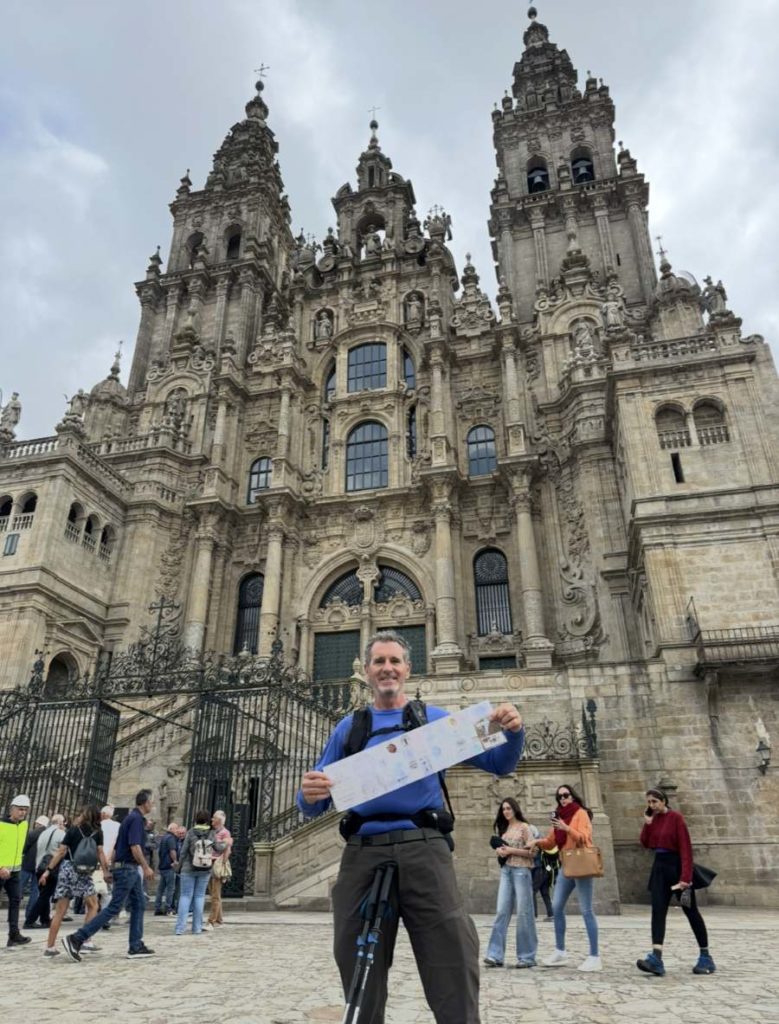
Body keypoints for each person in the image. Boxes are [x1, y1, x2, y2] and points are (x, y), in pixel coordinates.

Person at [298, 629, 525, 1024]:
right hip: (363, 853)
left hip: (424, 848)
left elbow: (500, 764)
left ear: (407, 669)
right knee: (355, 959)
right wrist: (308, 793)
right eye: (379, 661)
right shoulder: (349, 728)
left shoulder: (432, 719)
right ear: (367, 670)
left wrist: (514, 731)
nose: (387, 668)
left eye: (394, 661)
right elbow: (312, 803)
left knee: (452, 954)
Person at [60, 788, 156, 962]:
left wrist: (111, 867)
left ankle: (136, 945)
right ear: (146, 802)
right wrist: (146, 866)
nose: (153, 805)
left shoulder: (130, 818)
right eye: (152, 801)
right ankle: (77, 938)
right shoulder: (136, 819)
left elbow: (118, 846)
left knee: (139, 904)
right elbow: (135, 847)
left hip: (127, 868)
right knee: (114, 907)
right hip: (128, 868)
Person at [636, 788, 715, 977]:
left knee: (691, 911)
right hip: (659, 869)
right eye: (649, 802)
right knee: (658, 911)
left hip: (677, 868)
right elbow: (645, 843)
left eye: (654, 801)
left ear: (663, 801)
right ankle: (656, 958)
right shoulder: (653, 820)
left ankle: (705, 956)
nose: (651, 805)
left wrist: (685, 878)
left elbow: (685, 849)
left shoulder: (676, 818)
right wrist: (647, 824)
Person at [533, 783, 601, 972]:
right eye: (559, 796)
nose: (562, 799)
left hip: (581, 862)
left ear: (573, 796)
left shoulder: (581, 813)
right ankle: (560, 951)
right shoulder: (559, 817)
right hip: (566, 865)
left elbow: (584, 838)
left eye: (566, 795)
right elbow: (551, 842)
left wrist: (566, 828)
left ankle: (595, 956)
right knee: (556, 906)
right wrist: (535, 841)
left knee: (586, 909)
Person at [39, 804, 111, 958]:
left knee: (60, 910)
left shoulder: (72, 830)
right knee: (93, 905)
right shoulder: (98, 832)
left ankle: (50, 947)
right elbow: (100, 853)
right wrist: (105, 871)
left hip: (68, 869)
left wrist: (48, 870)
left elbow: (61, 851)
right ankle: (85, 940)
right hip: (84, 872)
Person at [483, 797, 537, 968]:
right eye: (503, 809)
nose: (506, 811)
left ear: (515, 809)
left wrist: (511, 850)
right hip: (506, 871)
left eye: (508, 808)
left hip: (522, 871)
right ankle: (495, 955)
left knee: (524, 913)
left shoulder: (524, 827)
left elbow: (533, 852)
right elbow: (503, 849)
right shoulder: (505, 829)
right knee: (501, 911)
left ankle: (527, 957)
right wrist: (500, 851)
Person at [174, 810, 226, 936]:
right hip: (204, 868)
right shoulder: (211, 833)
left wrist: (179, 867)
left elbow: (183, 852)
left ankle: (180, 928)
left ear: (196, 819)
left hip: (188, 868)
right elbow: (218, 848)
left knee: (185, 896)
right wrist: (226, 843)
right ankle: (197, 928)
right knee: (199, 897)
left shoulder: (191, 832)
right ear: (208, 820)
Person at [0, 794, 32, 947]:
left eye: (25, 810)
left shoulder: (24, 825)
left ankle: (14, 935)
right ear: (11, 809)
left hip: (15, 871)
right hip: (1, 870)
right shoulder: (1, 825)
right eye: (20, 809)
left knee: (16, 900)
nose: (23, 812)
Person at [25, 813, 66, 928]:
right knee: (45, 895)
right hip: (51, 868)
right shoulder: (61, 834)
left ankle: (45, 920)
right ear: (60, 822)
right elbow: (63, 851)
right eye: (63, 822)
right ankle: (30, 921)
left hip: (39, 867)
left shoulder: (43, 833)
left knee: (44, 894)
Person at [206, 809, 233, 929]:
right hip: (209, 863)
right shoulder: (213, 832)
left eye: (214, 817)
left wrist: (222, 863)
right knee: (214, 893)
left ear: (219, 820)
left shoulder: (225, 833)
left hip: (217, 864)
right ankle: (219, 920)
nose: (212, 819)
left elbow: (227, 850)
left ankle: (211, 921)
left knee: (215, 895)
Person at [20, 814, 49, 922]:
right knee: (35, 892)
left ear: (38, 823)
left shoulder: (33, 833)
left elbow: (24, 847)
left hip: (28, 864)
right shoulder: (48, 834)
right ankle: (29, 915)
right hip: (40, 866)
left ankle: (13, 912)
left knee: (18, 888)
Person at [154, 822, 180, 916]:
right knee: (170, 888)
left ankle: (157, 907)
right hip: (169, 866)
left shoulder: (164, 837)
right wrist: (175, 861)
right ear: (172, 829)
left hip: (163, 866)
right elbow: (172, 850)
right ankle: (168, 908)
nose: (177, 830)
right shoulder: (171, 838)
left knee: (161, 889)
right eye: (176, 828)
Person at [532, 844, 558, 922]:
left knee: (532, 892)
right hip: (547, 871)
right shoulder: (544, 845)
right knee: (545, 893)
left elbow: (534, 858)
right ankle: (551, 914)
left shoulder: (535, 843)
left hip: (539, 870)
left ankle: (533, 915)